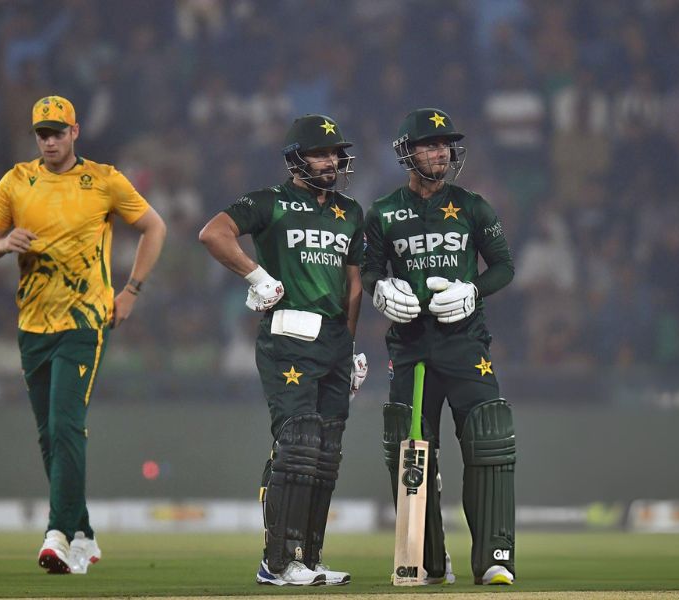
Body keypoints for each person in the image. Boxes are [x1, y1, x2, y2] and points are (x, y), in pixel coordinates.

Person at [0, 96, 167, 574]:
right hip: (32, 325)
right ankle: (84, 535)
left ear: (75, 131)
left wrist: (131, 291)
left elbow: (154, 227)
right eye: (42, 134)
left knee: (65, 427)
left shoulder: (104, 180)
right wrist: (3, 244)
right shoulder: (16, 181)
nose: (50, 141)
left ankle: (56, 534)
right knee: (49, 437)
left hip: (84, 321)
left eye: (57, 132)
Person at [198, 114, 367, 586]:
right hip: (289, 334)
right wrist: (256, 275)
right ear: (296, 159)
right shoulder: (269, 202)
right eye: (319, 153)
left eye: (334, 153)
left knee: (326, 453)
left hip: (335, 341)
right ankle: (277, 563)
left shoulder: (350, 212)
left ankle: (309, 558)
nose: (330, 161)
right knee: (298, 445)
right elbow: (213, 233)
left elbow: (354, 286)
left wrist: (351, 348)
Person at [361, 108, 516, 585]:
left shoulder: (472, 206)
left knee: (488, 440)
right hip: (410, 348)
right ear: (407, 152)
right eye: (430, 144)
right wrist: (380, 289)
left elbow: (504, 267)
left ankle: (494, 558)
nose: (442, 152)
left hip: (466, 343)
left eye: (446, 144)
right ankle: (428, 560)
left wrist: (473, 290)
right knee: (410, 451)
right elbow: (368, 271)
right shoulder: (383, 212)